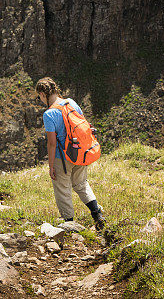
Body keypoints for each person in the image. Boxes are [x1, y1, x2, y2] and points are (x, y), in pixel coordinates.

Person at [37, 77, 105, 230]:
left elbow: (52, 143)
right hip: (79, 152)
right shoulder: (70, 102)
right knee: (81, 184)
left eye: (39, 97)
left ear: (42, 94)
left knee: (63, 189)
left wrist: (51, 166)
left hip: (63, 157)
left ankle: (69, 224)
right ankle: (97, 214)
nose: (40, 100)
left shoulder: (49, 114)